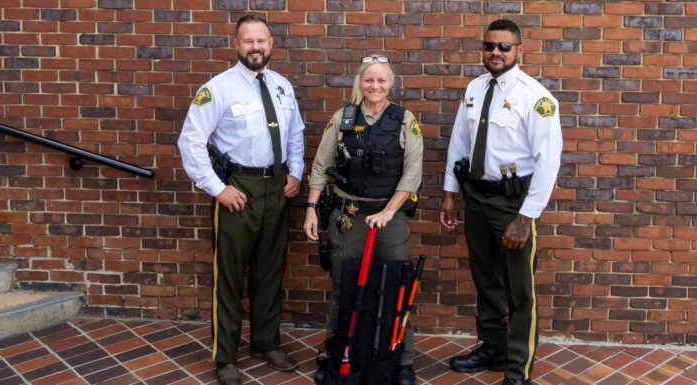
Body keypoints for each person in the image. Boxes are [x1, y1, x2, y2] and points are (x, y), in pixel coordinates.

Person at [177, 15, 304, 385]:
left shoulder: (282, 86)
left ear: (271, 45)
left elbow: (295, 133)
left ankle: (266, 342)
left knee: (270, 271)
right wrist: (217, 188)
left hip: (276, 188)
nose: (255, 48)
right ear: (236, 44)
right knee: (229, 277)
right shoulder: (218, 89)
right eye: (248, 41)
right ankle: (226, 356)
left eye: (261, 41)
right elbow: (191, 141)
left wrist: (294, 172)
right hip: (237, 189)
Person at [439, 19, 562, 385]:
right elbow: (459, 143)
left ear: (520, 50)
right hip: (476, 196)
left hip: (513, 205)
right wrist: (449, 193)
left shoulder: (535, 98)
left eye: (504, 47)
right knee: (485, 278)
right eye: (489, 46)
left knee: (520, 289)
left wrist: (526, 217)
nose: (495, 52)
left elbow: (549, 161)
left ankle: (518, 367)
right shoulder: (474, 89)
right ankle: (493, 347)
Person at [303, 54, 423, 385]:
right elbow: (319, 166)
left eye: (381, 80)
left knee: (397, 288)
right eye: (369, 79)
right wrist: (311, 208)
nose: (375, 86)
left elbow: (413, 174)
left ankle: (403, 362)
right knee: (343, 288)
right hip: (349, 217)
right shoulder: (342, 118)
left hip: (390, 218)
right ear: (360, 82)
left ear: (391, 84)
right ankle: (335, 352)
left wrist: (388, 211)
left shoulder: (405, 120)